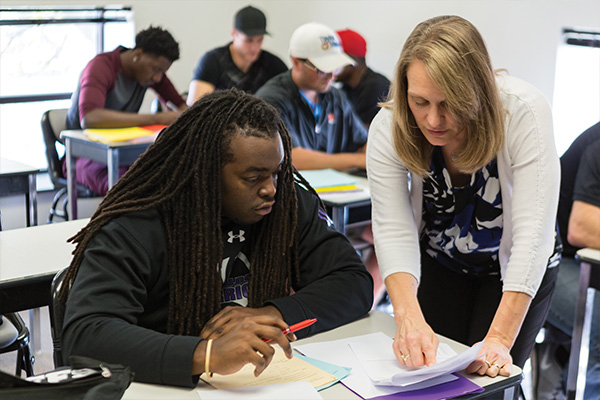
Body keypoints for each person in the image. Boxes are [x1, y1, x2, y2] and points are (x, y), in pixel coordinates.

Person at [60, 89, 373, 388]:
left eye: (277, 172)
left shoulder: (287, 207)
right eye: (253, 178)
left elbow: (353, 282)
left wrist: (270, 314)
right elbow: (87, 333)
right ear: (207, 171)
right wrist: (206, 355)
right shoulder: (138, 224)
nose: (271, 188)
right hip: (161, 388)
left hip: (261, 384)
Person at [366, 15, 561, 381]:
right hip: (443, 259)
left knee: (490, 378)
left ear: (478, 90)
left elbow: (533, 235)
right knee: (436, 376)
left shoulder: (522, 113)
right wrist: (407, 319)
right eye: (420, 101)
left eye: (450, 103)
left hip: (515, 269)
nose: (434, 119)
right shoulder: (389, 126)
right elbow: (393, 228)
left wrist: (500, 339)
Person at [65, 25, 188, 196]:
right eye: (156, 70)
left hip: (124, 154)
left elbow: (183, 109)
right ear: (138, 54)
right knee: (131, 188)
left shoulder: (150, 73)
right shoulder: (101, 67)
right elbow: (90, 117)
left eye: (163, 72)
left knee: (169, 178)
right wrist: (157, 118)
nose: (157, 78)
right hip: (84, 157)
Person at [537, 121, 600, 399]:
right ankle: (560, 355)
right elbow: (582, 227)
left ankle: (558, 351)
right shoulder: (598, 144)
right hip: (550, 260)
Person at [256, 22, 368, 171]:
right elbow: (293, 158)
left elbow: (364, 143)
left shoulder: (336, 97)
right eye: (322, 69)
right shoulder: (271, 100)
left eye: (336, 68)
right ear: (296, 62)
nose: (331, 76)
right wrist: (359, 160)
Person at [186, 5, 287, 104]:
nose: (254, 47)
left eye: (259, 40)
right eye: (248, 40)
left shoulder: (273, 65)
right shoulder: (212, 61)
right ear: (234, 34)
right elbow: (196, 105)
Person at [334, 29, 391, 128]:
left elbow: (364, 137)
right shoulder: (345, 89)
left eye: (334, 60)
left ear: (352, 61)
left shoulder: (377, 87)